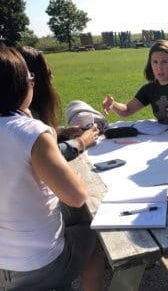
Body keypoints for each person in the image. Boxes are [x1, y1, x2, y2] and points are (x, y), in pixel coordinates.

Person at [0, 46, 104, 290]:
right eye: (30, 78)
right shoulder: (31, 132)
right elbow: (77, 196)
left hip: (4, 265)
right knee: (95, 237)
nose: (33, 83)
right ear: (19, 85)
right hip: (39, 263)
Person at [102, 39, 168, 135]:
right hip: (162, 140)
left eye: (164, 62)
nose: (159, 68)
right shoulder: (150, 88)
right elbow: (127, 110)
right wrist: (113, 104)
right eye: (155, 62)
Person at [17, 46, 100, 161]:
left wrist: (62, 132)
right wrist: (82, 142)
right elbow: (46, 157)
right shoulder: (22, 118)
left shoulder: (20, 112)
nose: (51, 76)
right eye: (47, 72)